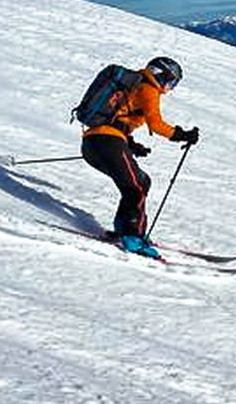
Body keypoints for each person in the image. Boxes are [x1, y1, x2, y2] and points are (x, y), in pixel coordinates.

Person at [80, 55, 199, 257]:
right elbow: (156, 124)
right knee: (136, 187)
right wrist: (183, 135)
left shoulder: (134, 85)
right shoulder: (148, 89)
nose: (170, 88)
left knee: (141, 182)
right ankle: (133, 237)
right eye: (171, 82)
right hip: (108, 142)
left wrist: (131, 145)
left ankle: (124, 228)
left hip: (94, 144)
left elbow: (119, 119)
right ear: (161, 75)